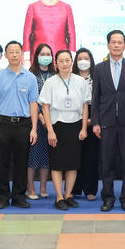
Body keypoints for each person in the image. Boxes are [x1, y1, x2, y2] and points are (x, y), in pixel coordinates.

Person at [92, 30, 125, 212]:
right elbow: (95, 97)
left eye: (119, 42)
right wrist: (95, 122)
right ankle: (108, 197)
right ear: (108, 45)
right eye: (113, 42)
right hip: (106, 122)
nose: (116, 45)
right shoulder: (99, 68)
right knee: (107, 162)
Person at [0, 41, 40, 209]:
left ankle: (19, 195)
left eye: (17, 51)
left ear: (21, 54)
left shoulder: (30, 77)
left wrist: (34, 128)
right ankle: (3, 196)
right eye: (10, 52)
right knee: (1, 162)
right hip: (3, 123)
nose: (14, 54)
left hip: (23, 125)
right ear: (6, 55)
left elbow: (34, 104)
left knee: (21, 161)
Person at [39, 49, 91, 210]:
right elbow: (45, 108)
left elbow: (85, 106)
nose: (65, 64)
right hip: (57, 125)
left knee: (72, 164)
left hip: (75, 125)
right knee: (57, 164)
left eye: (68, 60)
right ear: (56, 63)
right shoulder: (51, 82)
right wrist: (50, 130)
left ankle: (68, 195)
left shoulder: (80, 82)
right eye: (61, 61)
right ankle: (59, 197)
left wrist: (84, 128)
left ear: (72, 61)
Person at [21, 0, 77, 65]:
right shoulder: (33, 7)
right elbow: (27, 35)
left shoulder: (66, 7)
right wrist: (26, 59)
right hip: (38, 57)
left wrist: (72, 58)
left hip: (61, 59)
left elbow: (71, 35)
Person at [70, 48, 101, 201]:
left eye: (86, 58)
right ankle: (74, 189)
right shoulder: (70, 78)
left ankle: (90, 190)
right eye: (80, 58)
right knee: (75, 156)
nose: (83, 61)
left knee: (92, 156)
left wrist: (92, 120)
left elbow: (103, 100)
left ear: (91, 60)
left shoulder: (98, 77)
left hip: (94, 117)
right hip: (74, 118)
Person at [27, 43, 54, 199]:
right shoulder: (31, 75)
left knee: (46, 156)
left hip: (52, 123)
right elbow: (31, 100)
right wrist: (41, 117)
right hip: (35, 122)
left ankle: (43, 187)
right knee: (33, 155)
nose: (46, 57)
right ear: (36, 56)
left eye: (48, 54)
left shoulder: (55, 75)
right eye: (42, 54)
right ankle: (30, 187)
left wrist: (49, 119)